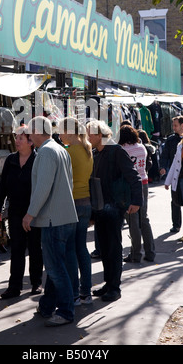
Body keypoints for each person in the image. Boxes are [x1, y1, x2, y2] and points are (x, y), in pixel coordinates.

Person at [22, 116, 78, 327]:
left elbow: (42, 187)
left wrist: (30, 213)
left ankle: (65, 311)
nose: (28, 136)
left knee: (55, 268)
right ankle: (48, 306)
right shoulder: (59, 148)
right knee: (57, 266)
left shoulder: (46, 151)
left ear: (37, 131)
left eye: (29, 132)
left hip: (54, 219)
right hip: (63, 217)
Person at [86, 120, 143, 302]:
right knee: (104, 247)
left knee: (113, 248)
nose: (87, 138)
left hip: (115, 208)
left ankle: (114, 287)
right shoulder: (97, 153)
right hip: (101, 208)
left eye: (89, 134)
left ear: (98, 135)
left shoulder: (116, 151)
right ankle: (108, 283)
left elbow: (134, 176)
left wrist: (136, 201)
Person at [0, 125, 43, 299]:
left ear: (31, 141)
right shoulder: (11, 160)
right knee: (16, 249)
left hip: (34, 212)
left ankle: (36, 283)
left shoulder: (38, 160)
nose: (17, 141)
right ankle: (14, 286)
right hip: (15, 211)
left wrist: (34, 212)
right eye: (16, 137)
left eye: (20, 138)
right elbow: (2, 186)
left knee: (36, 249)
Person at [58, 117, 94, 306]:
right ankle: (86, 292)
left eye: (61, 131)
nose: (59, 134)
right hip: (86, 203)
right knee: (81, 248)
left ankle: (74, 293)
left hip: (71, 203)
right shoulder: (87, 150)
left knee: (70, 250)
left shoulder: (68, 151)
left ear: (70, 132)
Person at [118, 125, 155, 263]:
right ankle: (150, 251)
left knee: (132, 219)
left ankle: (136, 253)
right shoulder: (142, 147)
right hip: (143, 183)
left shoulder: (123, 150)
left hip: (129, 185)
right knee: (144, 218)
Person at [159, 115, 183, 233]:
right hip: (175, 174)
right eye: (173, 125)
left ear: (182, 125)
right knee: (175, 200)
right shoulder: (170, 140)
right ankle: (176, 225)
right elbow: (164, 155)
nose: (173, 128)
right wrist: (163, 167)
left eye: (175, 125)